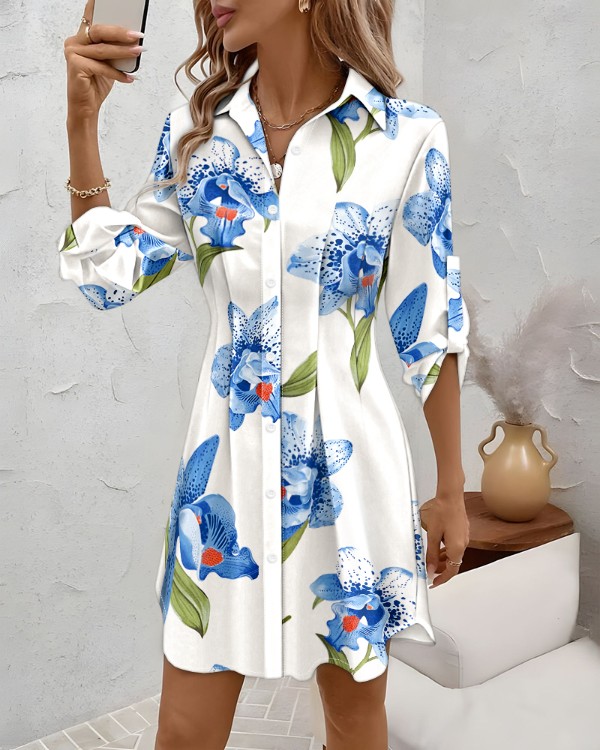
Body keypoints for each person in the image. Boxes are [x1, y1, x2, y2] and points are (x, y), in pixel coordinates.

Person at [59, 0, 471, 748]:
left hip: (350, 479)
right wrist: (81, 124)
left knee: (353, 720)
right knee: (184, 731)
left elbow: (431, 326)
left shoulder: (405, 136)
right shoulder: (196, 136)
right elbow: (111, 276)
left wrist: (450, 488)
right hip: (223, 478)